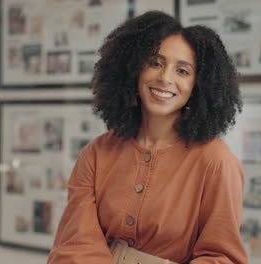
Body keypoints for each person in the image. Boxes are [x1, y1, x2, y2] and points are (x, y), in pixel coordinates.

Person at [47, 11, 246, 264]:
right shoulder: (96, 153)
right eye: (155, 63)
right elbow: (76, 245)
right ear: (133, 69)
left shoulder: (217, 162)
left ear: (200, 85)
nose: (165, 78)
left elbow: (221, 258)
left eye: (182, 71)